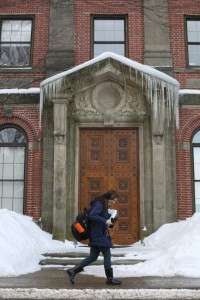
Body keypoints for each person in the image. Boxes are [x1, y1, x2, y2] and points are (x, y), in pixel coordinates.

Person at [66, 189, 121, 285]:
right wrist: (105, 221)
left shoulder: (103, 205)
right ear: (110, 197)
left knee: (93, 256)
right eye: (114, 200)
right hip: (98, 234)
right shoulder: (99, 204)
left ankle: (73, 270)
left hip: (97, 233)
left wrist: (111, 219)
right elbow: (92, 216)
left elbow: (101, 217)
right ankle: (110, 279)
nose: (114, 202)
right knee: (107, 255)